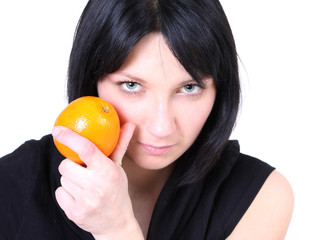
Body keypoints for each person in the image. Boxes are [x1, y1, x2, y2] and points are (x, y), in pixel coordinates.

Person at [0, 0, 294, 239]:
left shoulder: (260, 197)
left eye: (189, 88)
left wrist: (117, 230)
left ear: (220, 88)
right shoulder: (13, 184)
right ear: (92, 81)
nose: (161, 127)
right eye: (131, 86)